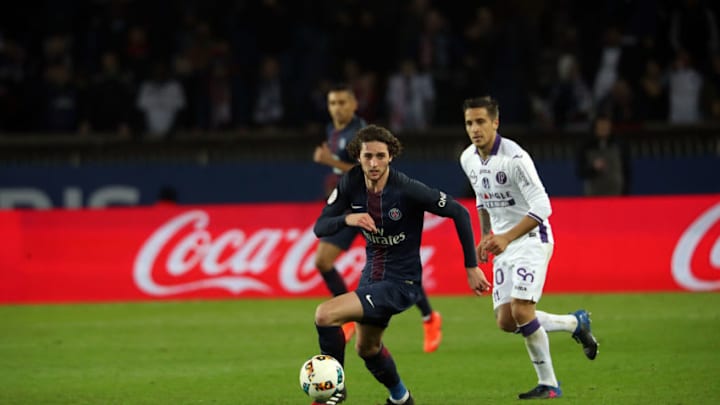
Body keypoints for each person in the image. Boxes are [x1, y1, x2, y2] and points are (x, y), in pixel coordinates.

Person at [312, 124, 491, 405]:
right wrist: (347, 219)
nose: (374, 163)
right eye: (368, 156)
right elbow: (321, 227)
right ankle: (401, 398)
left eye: (380, 156)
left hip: (401, 283)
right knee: (367, 348)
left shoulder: (406, 189)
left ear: (391, 156)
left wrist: (471, 266)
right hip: (372, 276)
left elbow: (459, 211)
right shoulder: (351, 182)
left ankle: (335, 388)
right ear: (357, 157)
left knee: (325, 314)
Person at [459, 96, 599, 400]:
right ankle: (575, 323)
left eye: (481, 121)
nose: (475, 129)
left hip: (532, 238)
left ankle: (549, 384)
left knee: (522, 309)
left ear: (495, 122)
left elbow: (542, 207)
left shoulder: (515, 158)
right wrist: (486, 235)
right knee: (506, 321)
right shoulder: (468, 158)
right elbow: (482, 198)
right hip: (503, 242)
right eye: (470, 122)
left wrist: (507, 237)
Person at [312, 84, 444, 353]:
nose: (336, 108)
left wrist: (330, 161)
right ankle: (346, 310)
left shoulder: (360, 133)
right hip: (351, 208)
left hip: (375, 204)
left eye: (341, 102)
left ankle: (429, 317)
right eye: (332, 103)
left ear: (353, 105)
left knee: (396, 266)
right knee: (322, 260)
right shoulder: (332, 131)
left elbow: (367, 168)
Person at [576, 112, 632, 196]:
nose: (603, 129)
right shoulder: (586, 147)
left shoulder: (619, 145)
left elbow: (627, 170)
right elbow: (580, 171)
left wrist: (626, 192)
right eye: (601, 126)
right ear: (595, 127)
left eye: (606, 126)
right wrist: (593, 168)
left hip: (617, 194)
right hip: (594, 195)